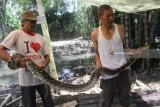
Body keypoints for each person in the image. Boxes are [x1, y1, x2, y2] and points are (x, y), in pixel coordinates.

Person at [91, 5, 143, 107]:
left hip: (123, 71)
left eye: (112, 15)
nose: (111, 18)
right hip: (107, 74)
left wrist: (135, 52)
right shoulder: (95, 34)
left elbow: (124, 48)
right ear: (100, 17)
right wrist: (98, 69)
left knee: (124, 100)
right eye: (108, 16)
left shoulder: (120, 28)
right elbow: (97, 54)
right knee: (107, 101)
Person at [0, 10, 54, 107]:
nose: (33, 23)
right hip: (26, 80)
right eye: (30, 21)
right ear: (23, 22)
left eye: (35, 21)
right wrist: (14, 61)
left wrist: (44, 65)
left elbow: (47, 58)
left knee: (49, 103)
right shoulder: (16, 34)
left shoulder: (41, 38)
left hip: (43, 78)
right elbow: (1, 50)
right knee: (29, 105)